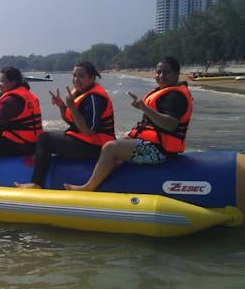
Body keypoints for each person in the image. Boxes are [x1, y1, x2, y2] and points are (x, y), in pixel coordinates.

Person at [65, 56, 193, 191]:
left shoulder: (175, 96)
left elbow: (170, 124)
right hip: (156, 144)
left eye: (166, 72)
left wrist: (144, 108)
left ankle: (88, 187)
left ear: (176, 74)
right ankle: (109, 181)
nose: (161, 76)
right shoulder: (168, 92)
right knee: (121, 141)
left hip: (161, 150)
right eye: (158, 72)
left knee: (110, 148)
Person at [15, 61, 115, 188]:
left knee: (45, 139)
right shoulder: (81, 93)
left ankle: (36, 183)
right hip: (87, 142)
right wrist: (62, 107)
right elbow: (73, 122)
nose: (76, 79)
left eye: (81, 76)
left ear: (92, 78)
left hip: (96, 147)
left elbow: (88, 131)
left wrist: (72, 107)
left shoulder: (95, 98)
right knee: (48, 138)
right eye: (74, 75)